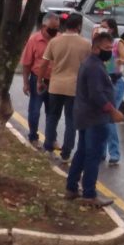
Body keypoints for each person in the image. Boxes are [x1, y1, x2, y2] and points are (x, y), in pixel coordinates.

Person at [65, 31, 124, 207]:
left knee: (82, 152)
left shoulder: (94, 64)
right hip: (95, 118)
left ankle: (71, 187)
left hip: (86, 116)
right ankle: (89, 194)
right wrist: (112, 111)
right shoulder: (94, 67)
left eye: (111, 48)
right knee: (93, 155)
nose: (110, 52)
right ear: (96, 48)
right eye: (107, 48)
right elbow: (96, 94)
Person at [37, 12, 90, 163]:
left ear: (65, 25)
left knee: (52, 117)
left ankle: (48, 147)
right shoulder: (86, 44)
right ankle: (66, 153)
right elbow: (88, 67)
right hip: (74, 88)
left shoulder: (55, 42)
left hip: (56, 85)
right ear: (79, 26)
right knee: (71, 120)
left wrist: (39, 81)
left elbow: (44, 64)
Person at [20, 13, 59, 145]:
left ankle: (51, 138)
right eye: (52, 28)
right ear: (43, 26)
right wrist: (25, 83)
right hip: (37, 79)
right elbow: (26, 63)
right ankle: (33, 136)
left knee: (52, 112)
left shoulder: (59, 39)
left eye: (57, 28)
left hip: (54, 81)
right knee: (35, 110)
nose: (54, 31)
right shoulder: (34, 40)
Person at [96, 18, 124, 166]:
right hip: (103, 82)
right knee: (102, 117)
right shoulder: (99, 43)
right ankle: (101, 151)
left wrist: (120, 61)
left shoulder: (117, 43)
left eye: (105, 27)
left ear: (112, 29)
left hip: (115, 82)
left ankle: (113, 153)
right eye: (100, 27)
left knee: (110, 117)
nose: (102, 29)